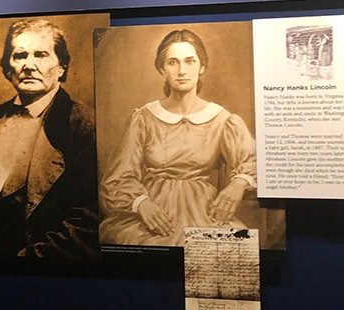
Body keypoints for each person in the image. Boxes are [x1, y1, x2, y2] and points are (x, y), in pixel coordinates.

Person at [0, 18, 99, 259]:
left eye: (40, 55)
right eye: (20, 55)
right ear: (8, 66)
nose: (29, 65)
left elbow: (87, 222)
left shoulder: (83, 125)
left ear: (62, 67)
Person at [98, 28, 256, 247]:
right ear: (162, 69)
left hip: (205, 212)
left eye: (190, 61)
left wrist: (238, 183)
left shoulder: (223, 120)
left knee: (233, 245)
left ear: (202, 67)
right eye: (173, 62)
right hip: (153, 212)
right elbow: (117, 177)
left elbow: (253, 160)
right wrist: (142, 204)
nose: (182, 70)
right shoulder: (143, 118)